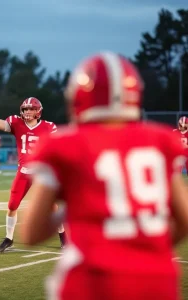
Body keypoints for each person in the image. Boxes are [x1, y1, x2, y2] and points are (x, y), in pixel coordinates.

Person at [21, 52, 188, 300]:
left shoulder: (64, 144)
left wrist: (78, 205)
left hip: (90, 280)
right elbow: (184, 219)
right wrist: (145, 250)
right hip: (157, 279)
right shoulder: (162, 140)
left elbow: (31, 233)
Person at [0, 79, 66, 253]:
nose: (28, 111)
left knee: (52, 205)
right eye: (25, 109)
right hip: (23, 172)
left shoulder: (48, 127)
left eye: (31, 109)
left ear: (38, 111)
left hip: (41, 173)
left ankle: (63, 235)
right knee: (12, 206)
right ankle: (9, 238)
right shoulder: (16, 122)